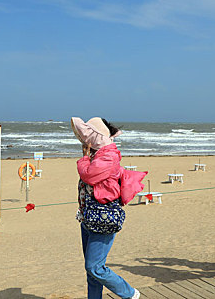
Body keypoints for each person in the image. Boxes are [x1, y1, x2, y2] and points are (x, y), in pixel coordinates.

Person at [71, 117, 145, 299]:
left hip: (103, 217)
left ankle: (129, 293)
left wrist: (84, 159)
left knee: (94, 267)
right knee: (92, 271)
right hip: (89, 217)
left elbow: (89, 175)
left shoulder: (108, 156)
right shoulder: (99, 155)